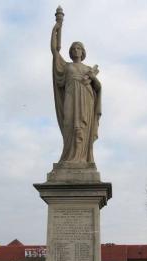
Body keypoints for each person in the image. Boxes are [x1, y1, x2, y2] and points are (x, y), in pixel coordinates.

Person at [51, 21, 101, 163]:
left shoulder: (87, 69)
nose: (76, 50)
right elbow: (55, 52)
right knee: (69, 125)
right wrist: (56, 28)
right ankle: (68, 157)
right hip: (70, 98)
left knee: (83, 129)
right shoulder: (66, 67)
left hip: (85, 101)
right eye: (73, 48)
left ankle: (82, 159)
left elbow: (98, 87)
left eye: (78, 48)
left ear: (83, 52)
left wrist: (92, 78)